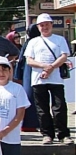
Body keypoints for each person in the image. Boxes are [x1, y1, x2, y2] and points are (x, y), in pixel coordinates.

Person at [23, 13, 72, 145]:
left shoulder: (60, 39)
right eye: (42, 25)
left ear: (51, 25)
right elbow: (29, 60)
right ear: (38, 27)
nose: (44, 27)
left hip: (56, 79)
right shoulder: (33, 42)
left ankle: (63, 134)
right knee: (42, 108)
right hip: (39, 79)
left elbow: (64, 56)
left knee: (59, 106)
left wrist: (51, 68)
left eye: (47, 24)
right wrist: (44, 67)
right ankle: (47, 134)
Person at [15, 24, 41, 131]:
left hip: (27, 72)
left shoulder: (28, 43)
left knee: (30, 96)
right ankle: (32, 123)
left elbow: (21, 60)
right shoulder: (39, 42)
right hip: (36, 72)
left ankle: (29, 124)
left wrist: (18, 75)